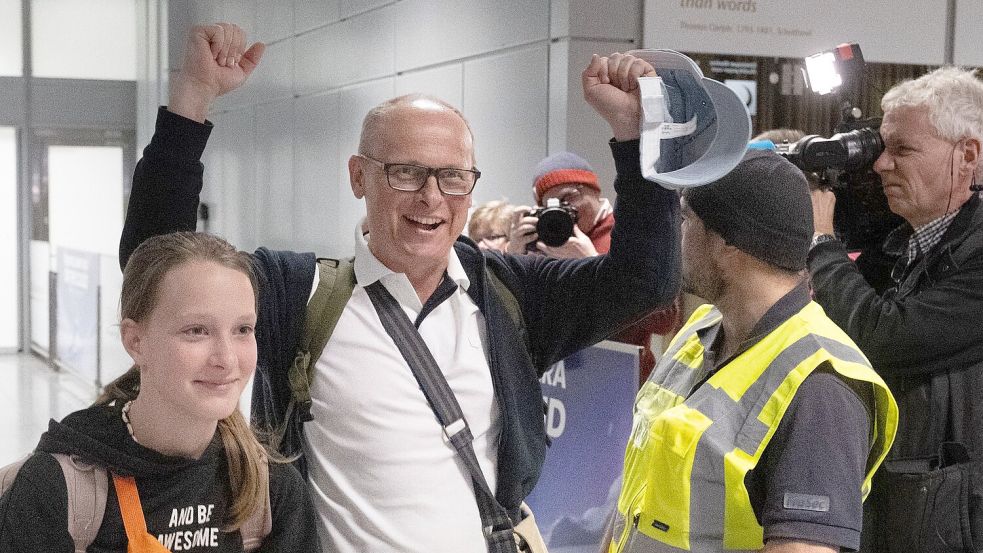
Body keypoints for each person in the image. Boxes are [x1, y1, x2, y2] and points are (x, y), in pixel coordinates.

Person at [119, 23, 681, 553]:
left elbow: (645, 280)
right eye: (405, 173)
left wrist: (634, 136)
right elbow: (158, 269)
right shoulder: (301, 295)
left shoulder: (508, 296)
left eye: (453, 176)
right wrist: (190, 103)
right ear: (359, 177)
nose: (432, 198)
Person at [607, 150, 898, 553]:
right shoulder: (701, 329)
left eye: (687, 220)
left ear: (727, 244)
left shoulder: (822, 385)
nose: (679, 234)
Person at [0, 232, 321, 552]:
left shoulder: (269, 491)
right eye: (196, 331)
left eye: (243, 330)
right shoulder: (57, 489)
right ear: (135, 341)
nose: (226, 359)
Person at [809, 66, 983, 552]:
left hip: (951, 526)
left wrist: (822, 244)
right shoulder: (900, 246)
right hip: (896, 508)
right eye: (881, 148)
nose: (881, 165)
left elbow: (884, 337)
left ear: (967, 155)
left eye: (902, 150)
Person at [508, 151, 682, 376]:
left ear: (593, 191)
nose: (560, 211)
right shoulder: (545, 240)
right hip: (566, 378)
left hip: (620, 380)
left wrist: (593, 265)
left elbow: (666, 319)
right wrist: (512, 256)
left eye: (567, 199)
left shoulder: (628, 233)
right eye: (549, 206)